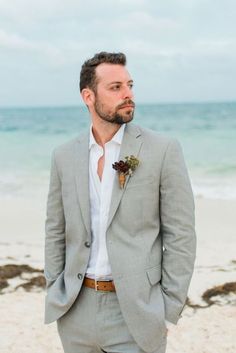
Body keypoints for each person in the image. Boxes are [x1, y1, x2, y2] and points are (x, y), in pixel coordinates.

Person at [44, 51, 196, 353]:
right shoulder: (63, 156)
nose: (128, 94)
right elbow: (55, 230)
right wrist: (55, 287)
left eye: (130, 85)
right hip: (76, 309)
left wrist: (168, 308)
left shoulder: (162, 150)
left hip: (137, 312)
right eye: (115, 87)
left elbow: (181, 234)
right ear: (88, 96)